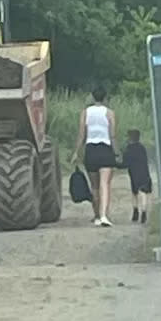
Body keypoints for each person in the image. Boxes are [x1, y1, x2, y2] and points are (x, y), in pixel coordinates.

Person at [71, 86, 116, 227]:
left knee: (95, 186)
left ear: (92, 97)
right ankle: (104, 216)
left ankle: (96, 216)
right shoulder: (110, 113)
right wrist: (117, 151)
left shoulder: (85, 113)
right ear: (105, 98)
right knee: (105, 184)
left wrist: (76, 152)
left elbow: (81, 134)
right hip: (105, 149)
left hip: (90, 150)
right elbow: (113, 134)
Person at [122, 129, 152, 224]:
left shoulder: (128, 149)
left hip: (134, 173)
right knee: (143, 192)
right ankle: (144, 212)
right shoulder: (142, 148)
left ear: (130, 138)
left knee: (134, 193)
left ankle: (135, 211)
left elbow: (125, 164)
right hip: (144, 172)